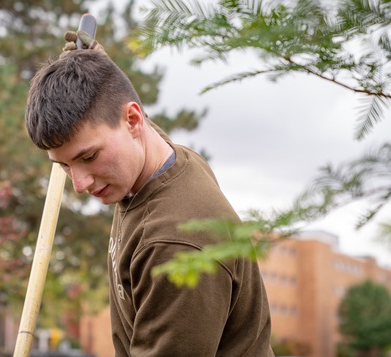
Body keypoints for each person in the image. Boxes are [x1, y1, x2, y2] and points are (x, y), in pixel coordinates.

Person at [25, 31, 274, 356]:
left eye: (88, 157)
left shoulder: (174, 244)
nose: (80, 184)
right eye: (64, 166)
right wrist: (94, 64)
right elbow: (125, 114)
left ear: (132, 120)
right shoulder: (155, 157)